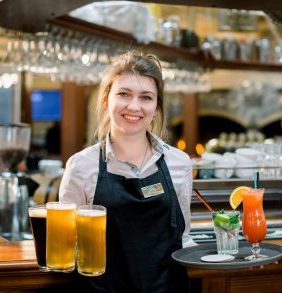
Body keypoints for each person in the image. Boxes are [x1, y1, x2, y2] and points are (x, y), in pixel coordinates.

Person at [59, 51, 196, 292]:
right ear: (105, 100)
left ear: (156, 107)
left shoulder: (179, 163)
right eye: (124, 94)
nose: (134, 106)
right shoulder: (80, 166)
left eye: (146, 97)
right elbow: (68, 245)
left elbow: (182, 237)